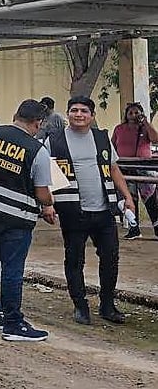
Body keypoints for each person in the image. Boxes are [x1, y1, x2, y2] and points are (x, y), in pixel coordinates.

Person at [0, 99, 55, 342]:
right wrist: (49, 203)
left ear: (15, 115)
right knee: (12, 270)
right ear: (38, 123)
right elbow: (42, 192)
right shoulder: (37, 150)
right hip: (16, 219)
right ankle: (13, 323)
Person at [48, 96, 135, 325]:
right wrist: (47, 204)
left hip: (104, 211)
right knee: (74, 260)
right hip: (73, 211)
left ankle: (107, 305)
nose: (79, 114)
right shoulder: (54, 141)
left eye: (84, 111)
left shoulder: (101, 138)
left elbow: (113, 169)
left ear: (92, 116)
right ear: (68, 114)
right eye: (74, 110)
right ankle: (80, 305)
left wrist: (127, 197)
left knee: (110, 258)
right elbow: (44, 173)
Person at [111, 101, 158, 239]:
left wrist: (146, 123)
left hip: (143, 167)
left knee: (150, 198)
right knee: (129, 198)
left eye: (136, 112)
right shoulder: (119, 129)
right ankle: (134, 228)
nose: (133, 115)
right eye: (130, 112)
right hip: (125, 167)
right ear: (126, 115)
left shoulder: (145, 128)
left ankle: (156, 226)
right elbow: (112, 145)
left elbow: (155, 138)